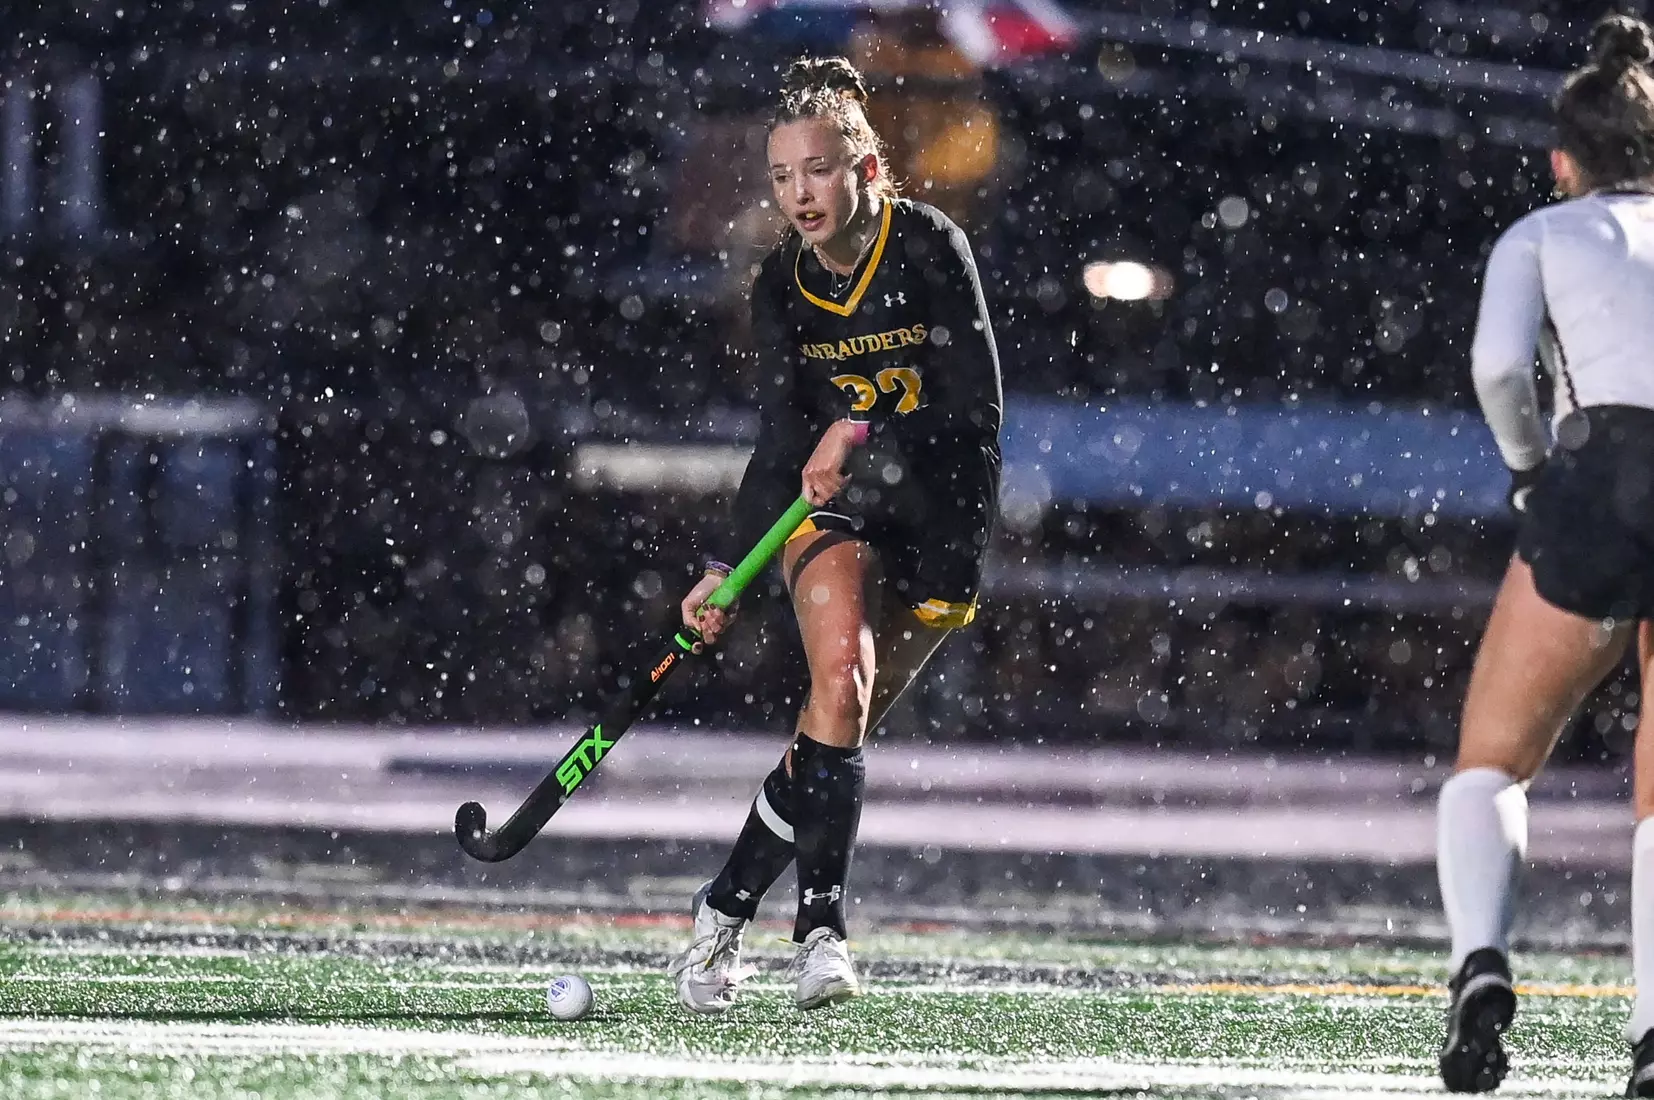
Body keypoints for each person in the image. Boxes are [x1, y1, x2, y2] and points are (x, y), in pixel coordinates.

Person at [666, 55, 1003, 1014]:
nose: (799, 194)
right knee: (841, 679)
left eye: (817, 170)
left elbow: (975, 411)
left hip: (941, 513)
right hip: (837, 514)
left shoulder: (930, 247)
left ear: (867, 170)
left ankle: (723, 906)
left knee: (830, 734)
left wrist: (861, 431)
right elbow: (782, 440)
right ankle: (823, 934)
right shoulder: (780, 283)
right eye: (781, 176)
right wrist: (726, 567)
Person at [1435, 13, 1654, 1095]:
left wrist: (1531, 472)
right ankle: (1653, 1034)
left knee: (1493, 758)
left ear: (1564, 159)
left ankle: (1480, 962)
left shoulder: (1543, 232)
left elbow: (1495, 367)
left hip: (1598, 474)